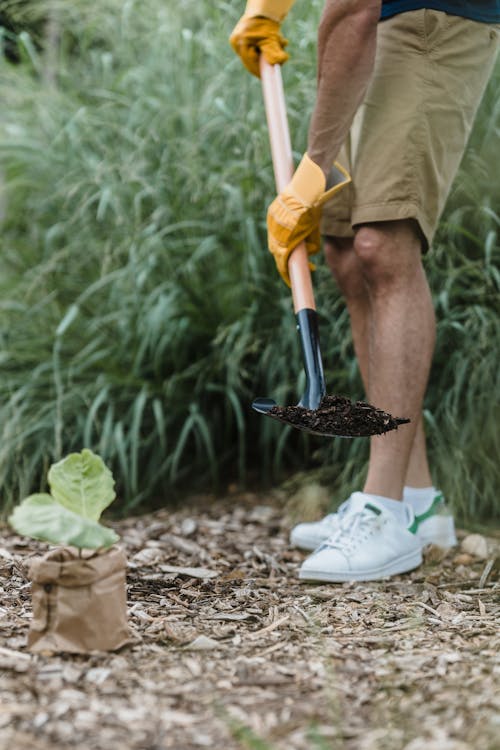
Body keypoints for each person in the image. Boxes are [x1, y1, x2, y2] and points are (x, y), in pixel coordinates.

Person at [230, 1, 499, 582]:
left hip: (436, 19)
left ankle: (383, 509)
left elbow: (351, 9)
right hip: (382, 28)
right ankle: (418, 500)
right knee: (347, 254)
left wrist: (313, 170)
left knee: (383, 243)